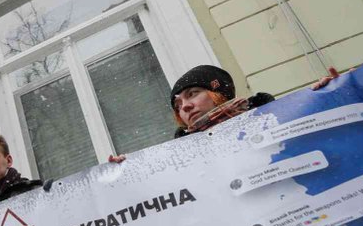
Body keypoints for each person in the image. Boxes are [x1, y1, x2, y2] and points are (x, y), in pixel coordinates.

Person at [108, 66, 338, 162]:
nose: (184, 107)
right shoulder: (181, 159)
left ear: (219, 93)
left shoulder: (276, 118)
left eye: (193, 94)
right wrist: (131, 171)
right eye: (177, 105)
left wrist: (335, 95)